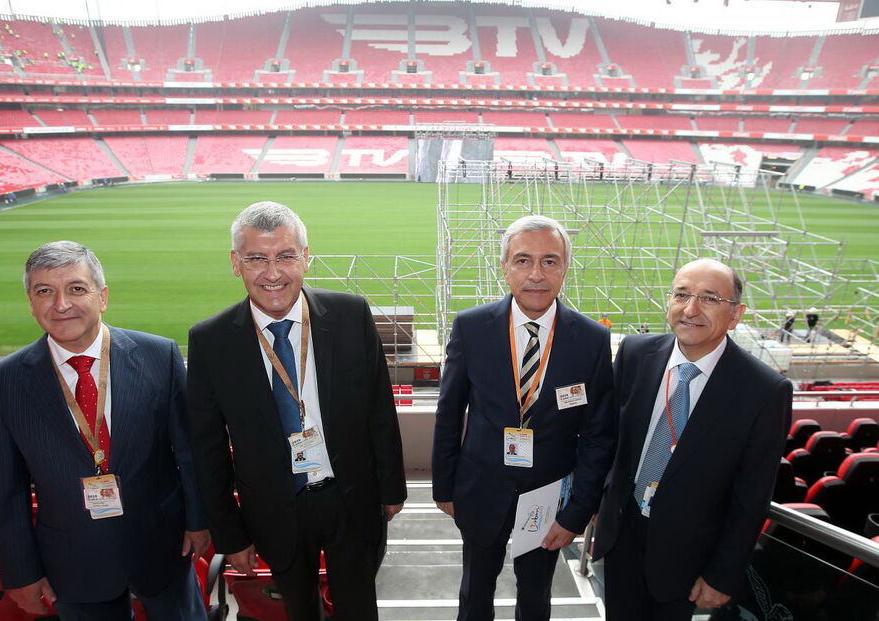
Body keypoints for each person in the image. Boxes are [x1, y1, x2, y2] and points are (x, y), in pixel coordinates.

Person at [186, 201, 406, 620]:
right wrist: (230, 534)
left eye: (286, 256)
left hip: (351, 498)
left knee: (360, 610)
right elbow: (207, 450)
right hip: (274, 511)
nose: (273, 273)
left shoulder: (351, 314)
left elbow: (380, 408)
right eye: (257, 259)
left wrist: (392, 488)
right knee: (298, 613)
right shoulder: (211, 341)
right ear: (236, 263)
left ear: (306, 257)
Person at [0, 241, 209, 621]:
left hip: (164, 548)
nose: (61, 304)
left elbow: (189, 451)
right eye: (44, 292)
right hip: (72, 560)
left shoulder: (160, 356)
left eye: (76, 288)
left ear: (103, 297)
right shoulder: (0, 384)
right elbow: (4, 489)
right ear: (31, 303)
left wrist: (199, 520)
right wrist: (20, 572)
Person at [432, 215, 615, 620]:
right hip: (480, 491)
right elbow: (449, 413)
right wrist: (444, 488)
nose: (536, 274)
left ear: (566, 267)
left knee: (535, 599)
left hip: (549, 499)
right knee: (474, 594)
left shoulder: (592, 340)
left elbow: (599, 435)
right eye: (523, 260)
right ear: (505, 267)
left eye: (550, 261)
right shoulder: (471, 327)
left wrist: (577, 511)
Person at [593, 258, 792, 621]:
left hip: (688, 557)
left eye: (710, 299)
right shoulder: (635, 354)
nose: (691, 309)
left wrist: (723, 573)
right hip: (622, 536)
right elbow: (611, 442)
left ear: (736, 314)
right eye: (681, 295)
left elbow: (752, 495)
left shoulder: (764, 390)